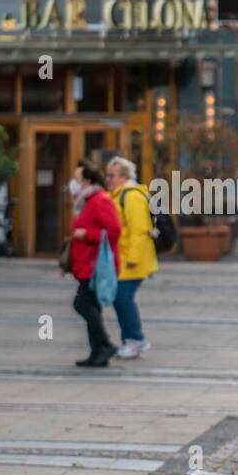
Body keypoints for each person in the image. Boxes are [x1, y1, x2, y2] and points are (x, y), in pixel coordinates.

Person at [66, 159, 121, 367]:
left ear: (87, 181)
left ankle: (105, 345)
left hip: (96, 265)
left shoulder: (99, 200)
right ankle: (97, 352)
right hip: (86, 262)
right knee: (92, 306)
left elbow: (114, 231)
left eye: (77, 179)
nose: (73, 182)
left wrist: (86, 233)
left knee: (82, 303)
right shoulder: (84, 202)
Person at [104, 156, 157, 358]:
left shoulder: (131, 196)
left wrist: (133, 258)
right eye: (107, 175)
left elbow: (139, 231)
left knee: (122, 298)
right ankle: (131, 339)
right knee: (120, 299)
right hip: (122, 258)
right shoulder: (116, 195)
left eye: (112, 175)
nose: (108, 179)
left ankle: (135, 339)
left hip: (132, 260)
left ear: (124, 176)